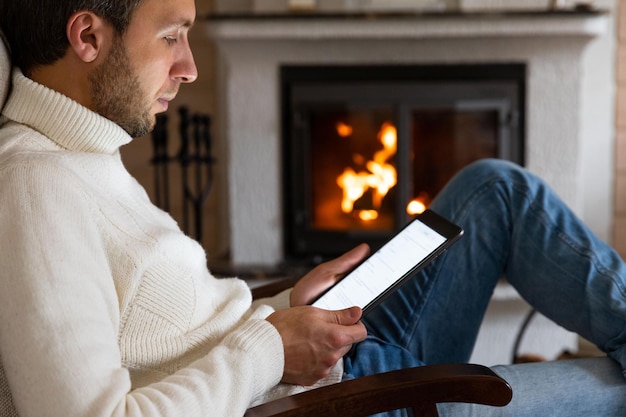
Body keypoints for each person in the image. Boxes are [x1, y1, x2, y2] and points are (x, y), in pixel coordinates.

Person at [0, 1, 625, 417]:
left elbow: (162, 333)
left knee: (495, 188)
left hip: (326, 356)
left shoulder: (83, 150)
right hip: (350, 402)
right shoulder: (35, 192)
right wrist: (273, 350)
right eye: (171, 36)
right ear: (87, 36)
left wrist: (282, 309)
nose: (188, 67)